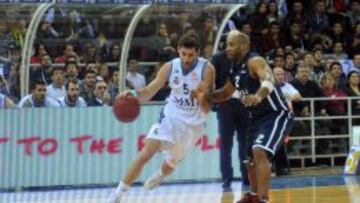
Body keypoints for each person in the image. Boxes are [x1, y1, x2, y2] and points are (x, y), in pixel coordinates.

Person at [108, 33, 215, 203]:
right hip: (171, 115)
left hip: (193, 123)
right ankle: (117, 195)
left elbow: (208, 108)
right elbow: (149, 91)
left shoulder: (207, 69)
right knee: (145, 153)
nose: (186, 59)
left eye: (191, 55)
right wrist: (134, 93)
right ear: (178, 50)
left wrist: (201, 97)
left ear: (198, 53)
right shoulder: (169, 67)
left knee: (171, 162)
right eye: (183, 54)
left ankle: (160, 174)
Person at [205, 30, 293, 203]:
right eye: (226, 45)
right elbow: (224, 94)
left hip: (276, 114)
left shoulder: (255, 61)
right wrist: (204, 96)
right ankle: (253, 196)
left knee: (259, 150)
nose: (227, 49)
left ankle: (263, 199)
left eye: (231, 44)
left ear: (244, 46)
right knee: (249, 160)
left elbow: (268, 79)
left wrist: (258, 95)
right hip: (256, 118)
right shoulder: (234, 69)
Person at [212, 49, 250, 188]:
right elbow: (212, 80)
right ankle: (226, 177)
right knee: (225, 144)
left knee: (245, 142)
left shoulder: (246, 57)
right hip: (225, 104)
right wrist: (215, 101)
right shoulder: (218, 58)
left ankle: (247, 175)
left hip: (244, 104)